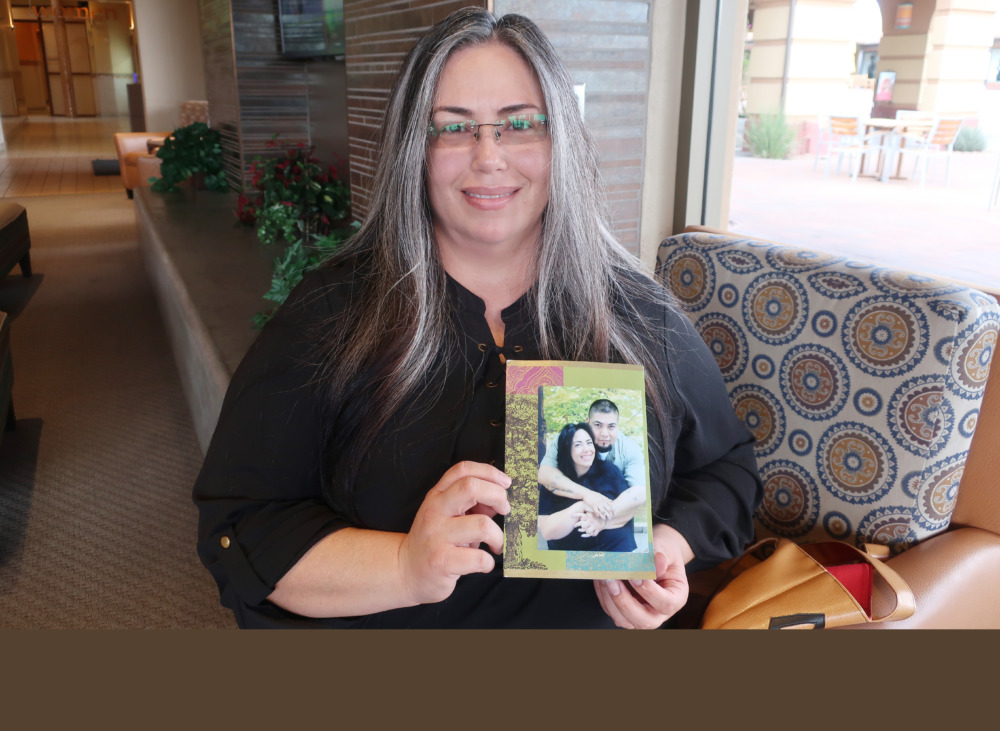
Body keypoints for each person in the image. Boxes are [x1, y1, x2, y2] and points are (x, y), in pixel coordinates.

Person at [192, 7, 763, 630]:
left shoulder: (635, 313)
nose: (489, 157)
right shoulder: (333, 317)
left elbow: (727, 471)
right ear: (414, 148)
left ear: (561, 141)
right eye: (453, 129)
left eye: (520, 124)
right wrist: (405, 566)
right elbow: (241, 528)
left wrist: (666, 549)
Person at [538, 399, 646, 528]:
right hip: (566, 516)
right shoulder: (567, 438)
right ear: (588, 422)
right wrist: (589, 495)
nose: (604, 433)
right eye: (598, 425)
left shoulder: (630, 450)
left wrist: (600, 519)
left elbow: (639, 492)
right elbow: (544, 474)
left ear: (617, 425)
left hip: (613, 522)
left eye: (611, 426)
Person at [537, 423, 637, 552]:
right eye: (578, 444)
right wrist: (582, 506)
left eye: (589, 443)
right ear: (567, 449)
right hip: (568, 560)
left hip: (615, 553)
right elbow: (547, 532)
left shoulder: (610, 472)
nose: (587, 449)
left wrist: (600, 523)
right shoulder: (554, 481)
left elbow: (629, 511)